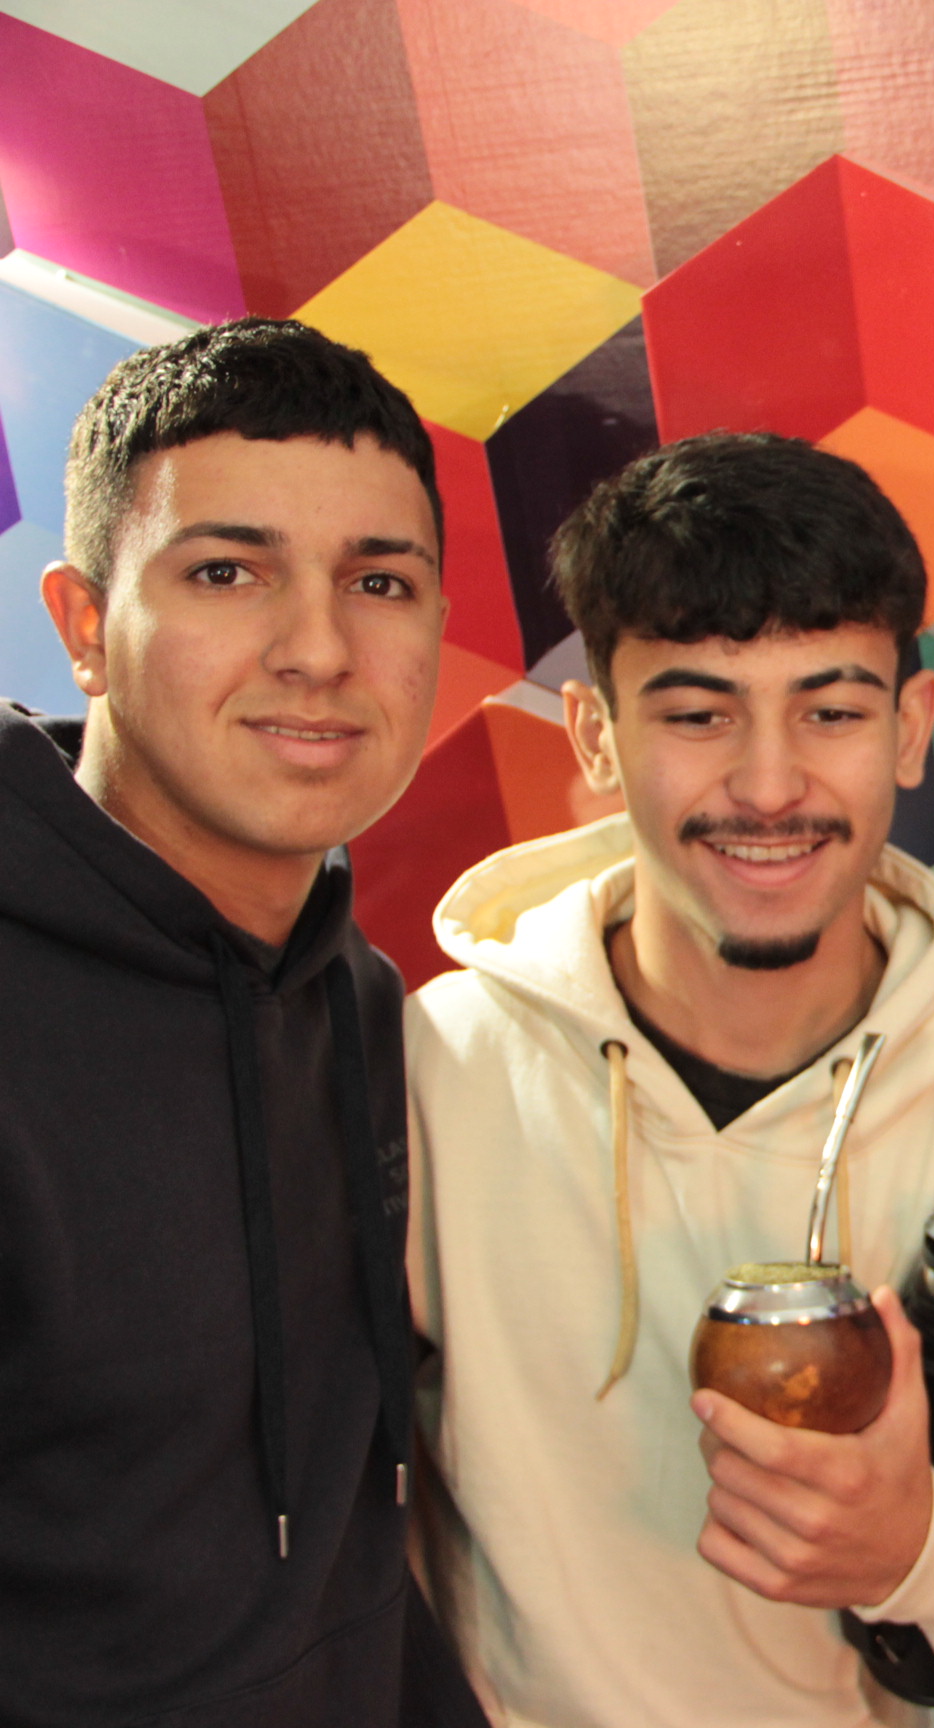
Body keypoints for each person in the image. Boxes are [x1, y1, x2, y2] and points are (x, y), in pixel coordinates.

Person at [403, 430, 934, 1726]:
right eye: (697, 714)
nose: (769, 787)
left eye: (830, 711)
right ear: (595, 735)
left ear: (910, 728)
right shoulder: (435, 1072)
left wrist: (922, 1551)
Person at [3, 318, 481, 1723]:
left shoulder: (358, 999)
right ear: (85, 629)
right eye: (226, 572)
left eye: (378, 582)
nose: (320, 650)